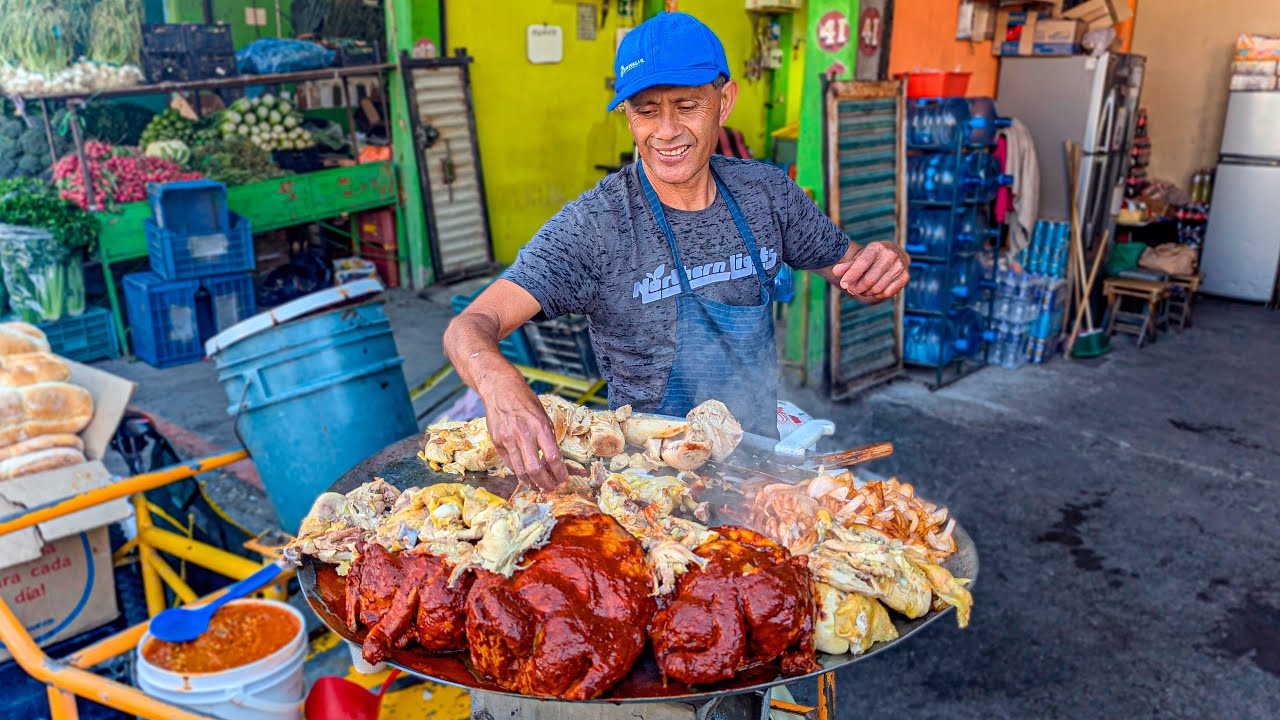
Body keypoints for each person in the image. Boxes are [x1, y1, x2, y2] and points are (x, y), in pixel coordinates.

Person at [444, 11, 909, 490]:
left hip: (761, 469)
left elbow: (860, 273)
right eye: (646, 111)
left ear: (723, 102)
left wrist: (890, 260)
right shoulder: (596, 224)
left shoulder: (766, 193)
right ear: (628, 115)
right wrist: (499, 384)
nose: (666, 131)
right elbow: (467, 328)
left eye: (686, 105)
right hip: (651, 489)